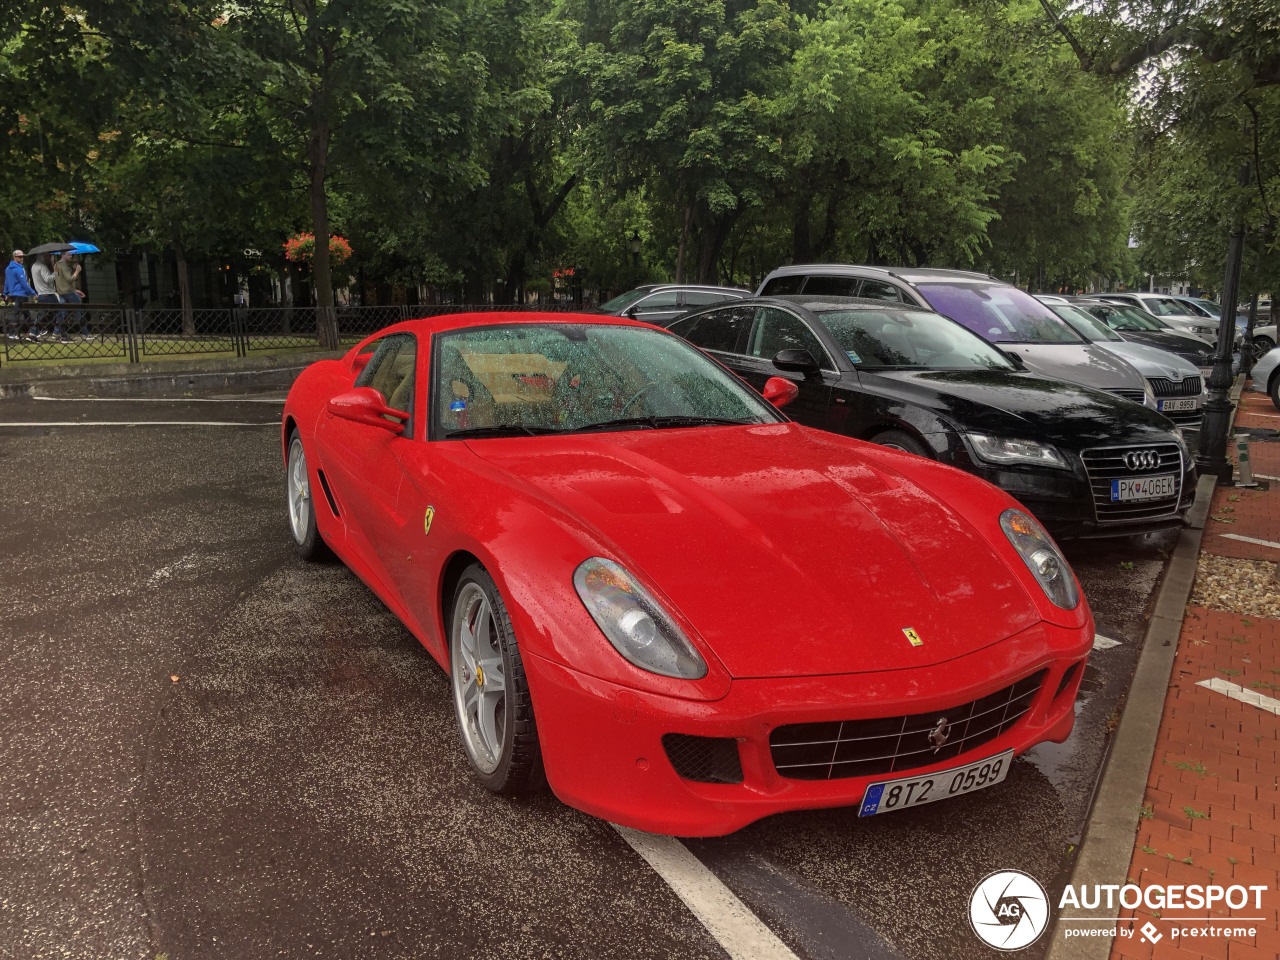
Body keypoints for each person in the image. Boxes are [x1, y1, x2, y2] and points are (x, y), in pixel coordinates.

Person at [3, 250, 36, 341]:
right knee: (17, 314)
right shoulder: (19, 269)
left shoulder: (8, 268)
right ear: (14, 257)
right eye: (19, 257)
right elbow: (24, 283)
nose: (22, 258)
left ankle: (33, 331)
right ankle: (12, 333)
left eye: (22, 256)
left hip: (14, 294)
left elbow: (7, 282)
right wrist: (33, 293)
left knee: (26, 314)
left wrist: (5, 292)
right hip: (21, 294)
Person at [54, 250, 83, 343]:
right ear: (63, 255)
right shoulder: (64, 266)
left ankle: (57, 331)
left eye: (71, 254)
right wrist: (77, 271)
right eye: (69, 254)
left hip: (61, 292)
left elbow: (59, 278)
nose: (71, 256)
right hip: (69, 292)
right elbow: (70, 279)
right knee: (78, 307)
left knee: (62, 313)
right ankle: (84, 330)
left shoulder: (56, 265)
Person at [31, 252, 60, 340]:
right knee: (60, 313)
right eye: (48, 256)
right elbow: (47, 279)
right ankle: (59, 333)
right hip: (49, 294)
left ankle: (33, 331)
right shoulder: (42, 267)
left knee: (42, 315)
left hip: (41, 294)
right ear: (43, 256)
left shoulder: (34, 266)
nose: (49, 258)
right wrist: (55, 272)